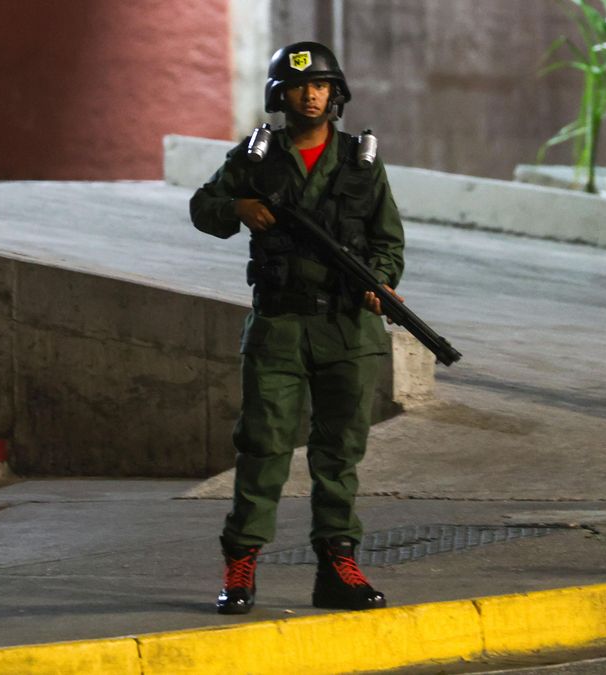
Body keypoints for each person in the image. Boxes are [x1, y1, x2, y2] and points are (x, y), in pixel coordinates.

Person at [189, 41, 405, 615]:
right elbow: (202, 207)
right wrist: (239, 207)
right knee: (263, 446)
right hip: (279, 324)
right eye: (298, 85)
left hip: (347, 329)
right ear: (280, 94)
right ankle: (242, 564)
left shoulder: (360, 160)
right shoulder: (258, 157)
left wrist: (377, 280)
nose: (310, 94)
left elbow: (388, 242)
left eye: (320, 86)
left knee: (339, 453)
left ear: (336, 94)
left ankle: (339, 563)